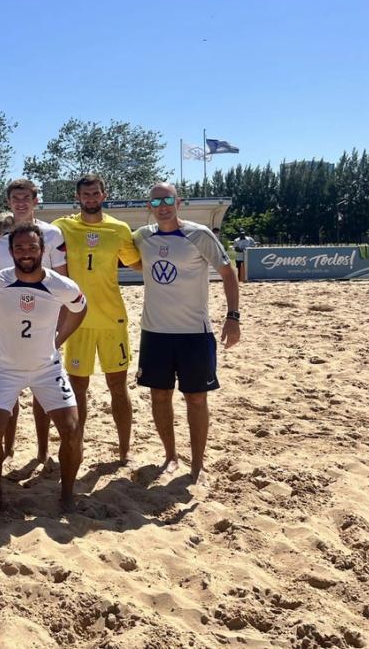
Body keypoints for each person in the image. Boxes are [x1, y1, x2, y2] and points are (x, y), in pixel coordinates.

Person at [133, 183, 240, 484]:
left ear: (178, 202)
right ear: (149, 207)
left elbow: (228, 274)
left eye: (168, 200)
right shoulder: (141, 237)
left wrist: (233, 317)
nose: (163, 206)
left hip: (194, 333)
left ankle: (198, 464)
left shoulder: (199, 234)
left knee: (196, 398)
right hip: (155, 332)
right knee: (159, 396)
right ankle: (170, 456)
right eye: (156, 202)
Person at [0, 224, 88, 511]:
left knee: (72, 430)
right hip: (5, 369)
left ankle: (67, 494)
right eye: (19, 248)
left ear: (43, 249)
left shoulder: (61, 285)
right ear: (11, 251)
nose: (26, 253)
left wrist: (59, 339)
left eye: (32, 247)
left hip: (47, 368)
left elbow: (80, 308)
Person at [52, 175, 142, 466]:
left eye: (95, 193)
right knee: (78, 388)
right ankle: (76, 445)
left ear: (104, 194)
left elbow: (140, 264)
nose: (90, 198)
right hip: (77, 320)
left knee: (118, 386)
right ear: (77, 197)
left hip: (112, 319)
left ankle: (125, 450)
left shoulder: (119, 229)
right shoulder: (62, 227)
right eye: (85, 194)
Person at [0, 178, 68, 466]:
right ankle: (8, 448)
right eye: (15, 198)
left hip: (43, 318)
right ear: (8, 202)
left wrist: (59, 324)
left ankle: (43, 449)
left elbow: (64, 278)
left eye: (26, 197)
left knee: (43, 388)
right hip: (9, 319)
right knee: (9, 387)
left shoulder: (52, 233)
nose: (20, 203)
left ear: (35, 201)